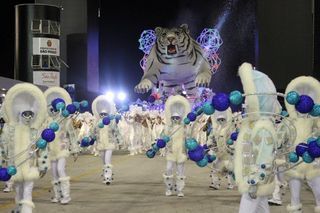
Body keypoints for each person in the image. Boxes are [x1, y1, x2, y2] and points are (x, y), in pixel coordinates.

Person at [1, 83, 48, 213]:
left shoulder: (35, 131)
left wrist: (43, 164)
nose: (28, 117)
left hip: (30, 166)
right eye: (25, 114)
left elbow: (43, 148)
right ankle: (19, 209)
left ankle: (25, 210)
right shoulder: (10, 130)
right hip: (14, 167)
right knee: (18, 191)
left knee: (27, 192)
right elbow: (3, 147)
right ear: (19, 113)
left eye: (31, 114)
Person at [44, 87, 79, 204]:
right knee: (54, 172)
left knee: (60, 169)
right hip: (51, 150)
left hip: (62, 148)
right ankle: (57, 195)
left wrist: (75, 150)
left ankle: (66, 195)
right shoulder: (47, 121)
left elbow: (73, 135)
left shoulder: (66, 120)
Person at [162, 95, 191, 197]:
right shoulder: (168, 129)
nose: (175, 119)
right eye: (173, 117)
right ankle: (168, 188)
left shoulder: (184, 128)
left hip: (181, 153)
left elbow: (189, 138)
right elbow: (162, 137)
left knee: (180, 171)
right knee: (168, 169)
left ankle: (180, 190)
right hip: (171, 152)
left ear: (180, 118)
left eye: (177, 117)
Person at [91, 95, 122, 185]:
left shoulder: (111, 122)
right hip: (100, 144)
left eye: (105, 114)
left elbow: (117, 132)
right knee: (104, 161)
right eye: (101, 114)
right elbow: (92, 132)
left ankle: (107, 178)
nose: (103, 116)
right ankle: (107, 174)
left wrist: (120, 141)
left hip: (109, 144)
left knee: (107, 160)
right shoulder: (96, 123)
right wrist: (89, 139)